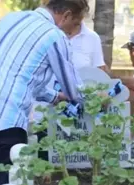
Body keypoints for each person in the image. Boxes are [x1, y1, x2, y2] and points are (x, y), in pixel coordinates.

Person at [0, 0, 89, 184]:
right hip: (3, 122)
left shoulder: (11, 19)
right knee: (4, 180)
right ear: (66, 15)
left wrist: (56, 97)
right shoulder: (54, 35)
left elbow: (21, 76)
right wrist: (98, 97)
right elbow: (75, 92)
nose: (71, 32)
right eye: (74, 25)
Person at [31, 21, 109, 161]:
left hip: (80, 115)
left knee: (77, 163)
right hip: (46, 110)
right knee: (44, 163)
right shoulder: (47, 35)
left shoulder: (92, 38)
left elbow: (98, 73)